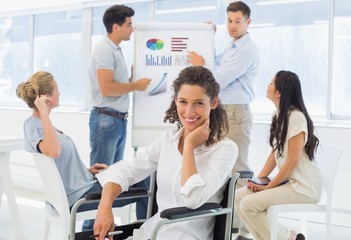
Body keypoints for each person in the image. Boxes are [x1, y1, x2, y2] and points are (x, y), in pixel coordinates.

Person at [92, 66, 238, 240]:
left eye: (199, 103)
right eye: (183, 102)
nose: (189, 112)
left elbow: (193, 199)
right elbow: (128, 169)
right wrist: (105, 205)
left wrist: (190, 145)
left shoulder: (225, 149)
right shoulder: (168, 140)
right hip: (152, 233)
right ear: (175, 101)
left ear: (213, 103)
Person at [16, 71, 144, 231]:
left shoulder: (42, 124)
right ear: (46, 97)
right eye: (56, 89)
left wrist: (85, 171)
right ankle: (147, 233)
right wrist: (43, 112)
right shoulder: (34, 124)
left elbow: (57, 163)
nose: (60, 93)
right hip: (79, 197)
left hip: (84, 186)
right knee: (146, 180)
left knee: (138, 174)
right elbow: (54, 152)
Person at [188, 1, 260, 235]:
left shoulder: (247, 49)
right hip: (225, 112)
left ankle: (246, 228)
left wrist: (201, 65)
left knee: (238, 170)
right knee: (223, 167)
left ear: (248, 22)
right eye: (229, 20)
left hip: (236, 113)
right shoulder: (233, 46)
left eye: (237, 21)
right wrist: (209, 38)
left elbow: (219, 80)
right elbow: (217, 62)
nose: (232, 25)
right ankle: (232, 225)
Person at [234, 70, 321, 240]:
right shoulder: (278, 116)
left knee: (249, 204)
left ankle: (289, 237)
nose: (268, 86)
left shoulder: (296, 118)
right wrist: (257, 180)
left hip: (304, 187)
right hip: (291, 183)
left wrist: (268, 186)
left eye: (271, 83)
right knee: (239, 197)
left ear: (279, 92)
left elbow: (292, 162)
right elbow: (275, 154)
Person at [88, 4, 151, 224]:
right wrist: (135, 85)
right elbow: (107, 88)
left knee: (114, 178)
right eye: (129, 25)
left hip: (116, 120)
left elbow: (115, 84)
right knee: (102, 182)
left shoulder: (115, 49)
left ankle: (100, 227)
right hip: (107, 120)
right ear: (116, 27)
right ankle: (91, 228)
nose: (132, 29)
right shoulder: (104, 49)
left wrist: (131, 80)